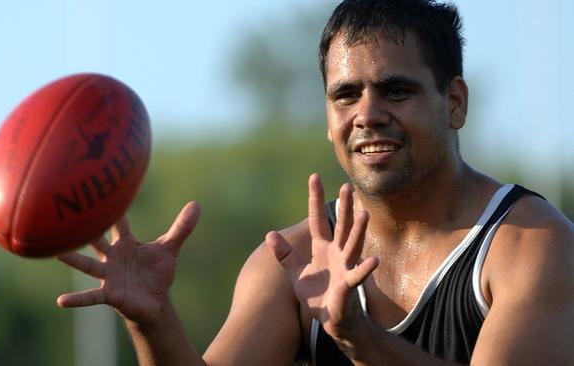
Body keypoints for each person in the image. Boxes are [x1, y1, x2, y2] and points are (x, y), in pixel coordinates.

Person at [56, 0, 574, 364]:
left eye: (396, 91)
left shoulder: (532, 245)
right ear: (328, 119)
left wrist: (357, 338)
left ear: (455, 102)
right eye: (346, 95)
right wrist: (153, 320)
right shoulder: (290, 260)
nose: (367, 114)